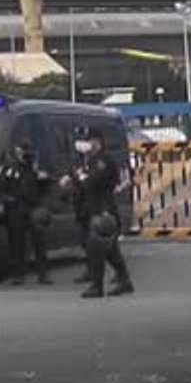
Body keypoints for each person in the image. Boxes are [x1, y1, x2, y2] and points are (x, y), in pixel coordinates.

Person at [61, 128, 133, 299]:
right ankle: (124, 281)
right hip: (91, 210)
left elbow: (91, 182)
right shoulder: (88, 161)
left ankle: (97, 286)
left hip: (103, 210)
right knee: (110, 251)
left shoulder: (104, 161)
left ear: (98, 142)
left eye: (91, 141)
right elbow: (77, 178)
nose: (88, 144)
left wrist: (78, 177)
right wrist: (71, 179)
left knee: (96, 249)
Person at [0, 141, 53, 286]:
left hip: (34, 206)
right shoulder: (10, 168)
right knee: (17, 242)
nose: (24, 154)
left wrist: (44, 179)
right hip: (17, 207)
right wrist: (8, 199)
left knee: (39, 240)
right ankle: (18, 274)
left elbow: (47, 185)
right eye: (21, 151)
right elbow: (1, 186)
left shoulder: (35, 166)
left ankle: (43, 273)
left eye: (26, 151)